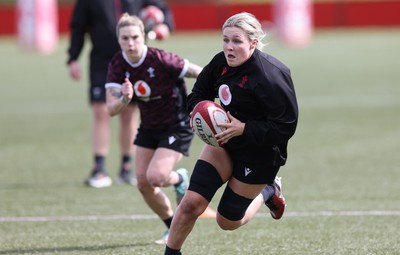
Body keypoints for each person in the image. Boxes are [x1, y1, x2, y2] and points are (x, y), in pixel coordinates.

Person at [163, 12, 299, 255]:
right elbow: (198, 94)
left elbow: (285, 127)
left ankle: (269, 189)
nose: (229, 47)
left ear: (253, 43)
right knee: (191, 204)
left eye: (236, 41)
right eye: (225, 40)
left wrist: (245, 128)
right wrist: (196, 113)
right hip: (223, 142)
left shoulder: (271, 75)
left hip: (260, 154)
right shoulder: (220, 64)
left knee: (226, 221)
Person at [105, 13, 211, 244]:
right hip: (149, 127)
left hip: (177, 125)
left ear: (143, 36)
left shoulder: (161, 58)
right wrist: (124, 99)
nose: (130, 43)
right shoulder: (117, 64)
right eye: (125, 39)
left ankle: (179, 179)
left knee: (157, 176)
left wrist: (215, 93)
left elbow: (199, 72)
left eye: (134, 37)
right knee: (143, 183)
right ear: (119, 40)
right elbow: (111, 109)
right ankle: (170, 225)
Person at [66, 0, 175, 188]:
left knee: (129, 113)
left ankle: (126, 168)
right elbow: (78, 25)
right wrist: (73, 57)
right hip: (102, 61)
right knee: (101, 111)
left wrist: (164, 26)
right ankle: (99, 169)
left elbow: (162, 11)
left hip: (133, 61)